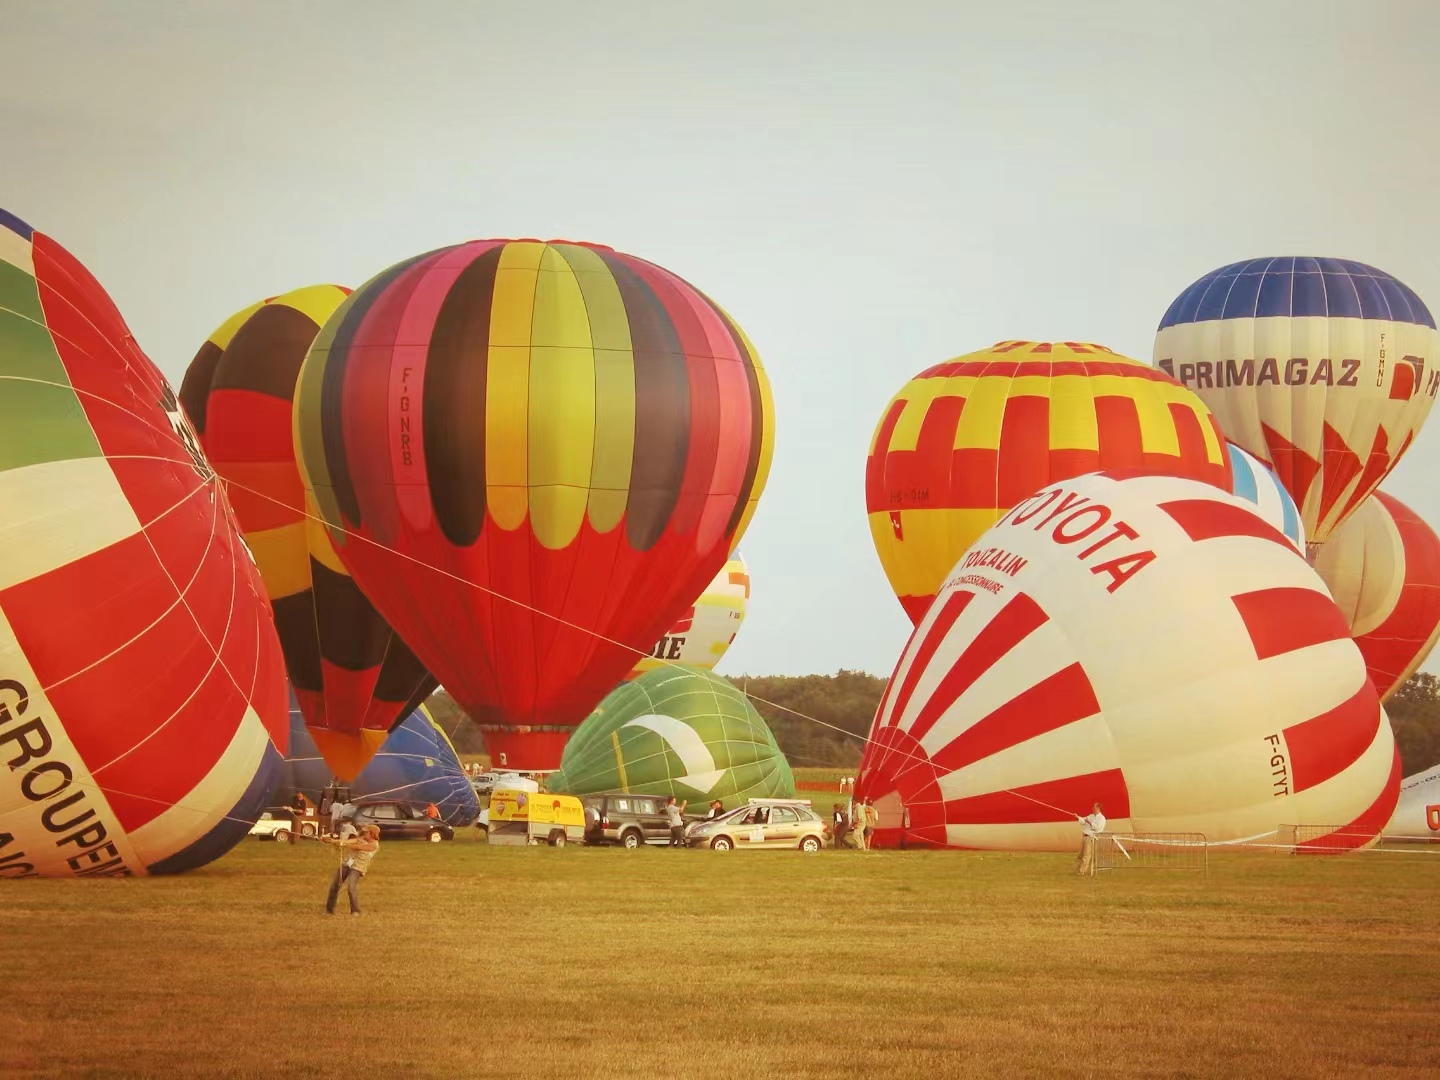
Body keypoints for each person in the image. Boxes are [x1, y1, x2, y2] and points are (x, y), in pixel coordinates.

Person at [322, 823, 380, 915]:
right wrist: (331, 841)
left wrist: (343, 844)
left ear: (372, 833)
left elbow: (359, 848)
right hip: (347, 864)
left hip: (358, 867)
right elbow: (348, 842)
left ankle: (355, 910)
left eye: (367, 832)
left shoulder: (374, 845)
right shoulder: (360, 839)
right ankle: (329, 910)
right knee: (334, 886)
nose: (364, 834)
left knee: (351, 887)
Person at [1075, 801, 1106, 876]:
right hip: (1085, 836)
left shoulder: (1102, 818)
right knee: (1081, 855)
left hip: (1091, 837)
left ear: (1098, 808)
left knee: (1086, 855)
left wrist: (1089, 822)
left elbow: (1097, 828)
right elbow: (1083, 821)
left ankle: (1082, 871)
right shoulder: (1091, 816)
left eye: (1094, 807)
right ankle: (1078, 870)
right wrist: (1077, 817)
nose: (1092, 808)